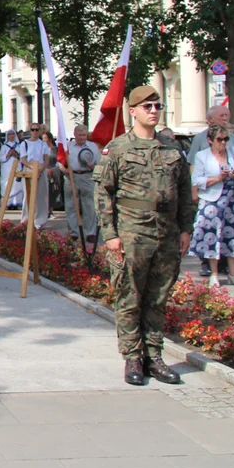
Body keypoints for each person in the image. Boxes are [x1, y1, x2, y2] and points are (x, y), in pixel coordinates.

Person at [95, 86, 193, 386]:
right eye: (147, 106)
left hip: (166, 233)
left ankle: (154, 356)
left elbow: (185, 193)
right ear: (133, 111)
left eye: (157, 105)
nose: (153, 110)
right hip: (132, 232)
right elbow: (103, 193)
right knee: (129, 297)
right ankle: (132, 358)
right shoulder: (118, 148)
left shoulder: (172, 149)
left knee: (158, 297)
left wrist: (186, 228)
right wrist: (110, 234)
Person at [188, 124, 234, 288]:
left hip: (232, 201)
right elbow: (196, 180)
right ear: (210, 140)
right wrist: (217, 178)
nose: (223, 143)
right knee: (212, 236)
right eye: (219, 139)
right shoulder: (202, 156)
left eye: (226, 139)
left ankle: (233, 274)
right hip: (211, 202)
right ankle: (214, 273)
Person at [64, 124, 99, 244]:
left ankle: (90, 233)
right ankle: (73, 233)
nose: (82, 137)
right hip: (71, 177)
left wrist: (95, 166)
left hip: (87, 177)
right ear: (75, 135)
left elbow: (99, 162)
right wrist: (64, 170)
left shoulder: (92, 146)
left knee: (89, 206)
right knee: (71, 206)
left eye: (84, 135)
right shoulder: (68, 147)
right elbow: (61, 162)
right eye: (80, 135)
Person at [18, 123, 50, 228]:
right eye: (33, 130)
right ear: (30, 131)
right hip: (29, 168)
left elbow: (46, 159)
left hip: (41, 169)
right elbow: (23, 159)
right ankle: (26, 219)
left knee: (41, 195)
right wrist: (33, 168)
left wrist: (41, 169)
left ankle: (39, 220)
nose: (35, 132)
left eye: (37, 130)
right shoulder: (24, 144)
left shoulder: (43, 144)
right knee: (28, 195)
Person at [0, 130, 25, 209]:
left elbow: (23, 157)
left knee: (16, 185)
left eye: (13, 134)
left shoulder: (19, 146)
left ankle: (16, 203)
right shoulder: (4, 146)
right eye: (9, 134)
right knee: (7, 185)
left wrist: (16, 155)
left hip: (17, 167)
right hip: (6, 170)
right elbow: (0, 158)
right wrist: (9, 154)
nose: (11, 136)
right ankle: (7, 203)